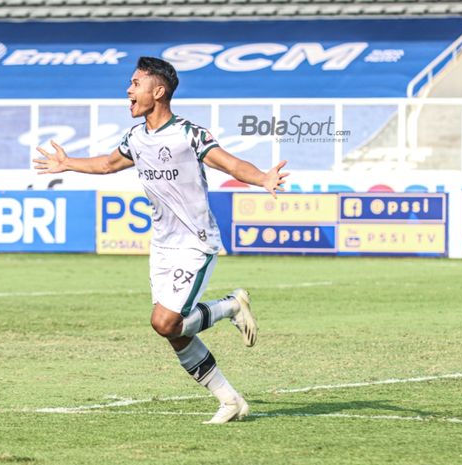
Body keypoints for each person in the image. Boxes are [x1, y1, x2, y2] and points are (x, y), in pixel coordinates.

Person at [33, 56, 289, 424]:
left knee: (165, 322)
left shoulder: (188, 134)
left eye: (135, 84)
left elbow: (229, 164)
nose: (128, 90)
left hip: (195, 243)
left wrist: (262, 177)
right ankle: (230, 400)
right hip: (163, 245)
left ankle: (231, 306)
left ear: (159, 91)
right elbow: (107, 165)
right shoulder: (136, 138)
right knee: (171, 331)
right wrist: (68, 163)